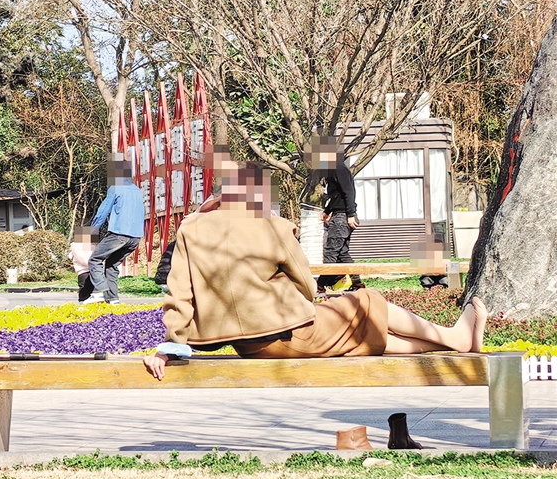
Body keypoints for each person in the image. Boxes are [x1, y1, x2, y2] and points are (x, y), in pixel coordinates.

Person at [142, 162, 487, 381]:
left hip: (250, 347)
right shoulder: (271, 225)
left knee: (358, 337)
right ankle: (453, 337)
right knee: (366, 301)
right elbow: (307, 286)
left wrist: (171, 345)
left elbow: (180, 293)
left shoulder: (191, 228)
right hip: (288, 333)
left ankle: (454, 341)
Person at [86, 156, 145, 304]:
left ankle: (99, 292)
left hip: (119, 233)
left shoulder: (115, 188)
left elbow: (103, 211)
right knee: (111, 265)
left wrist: (93, 229)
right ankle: (113, 299)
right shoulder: (137, 190)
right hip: (136, 237)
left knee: (95, 260)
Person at [305, 135, 360, 292]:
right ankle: (357, 284)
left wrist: (351, 214)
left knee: (331, 252)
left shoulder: (339, 168)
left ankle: (320, 285)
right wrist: (327, 211)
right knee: (342, 253)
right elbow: (336, 196)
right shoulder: (331, 170)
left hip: (343, 216)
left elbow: (349, 192)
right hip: (339, 214)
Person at [70, 226, 99, 302]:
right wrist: (94, 264)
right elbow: (82, 258)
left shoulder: (91, 245)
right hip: (84, 271)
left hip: (93, 270)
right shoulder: (77, 245)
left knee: (93, 290)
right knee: (85, 289)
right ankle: (82, 301)